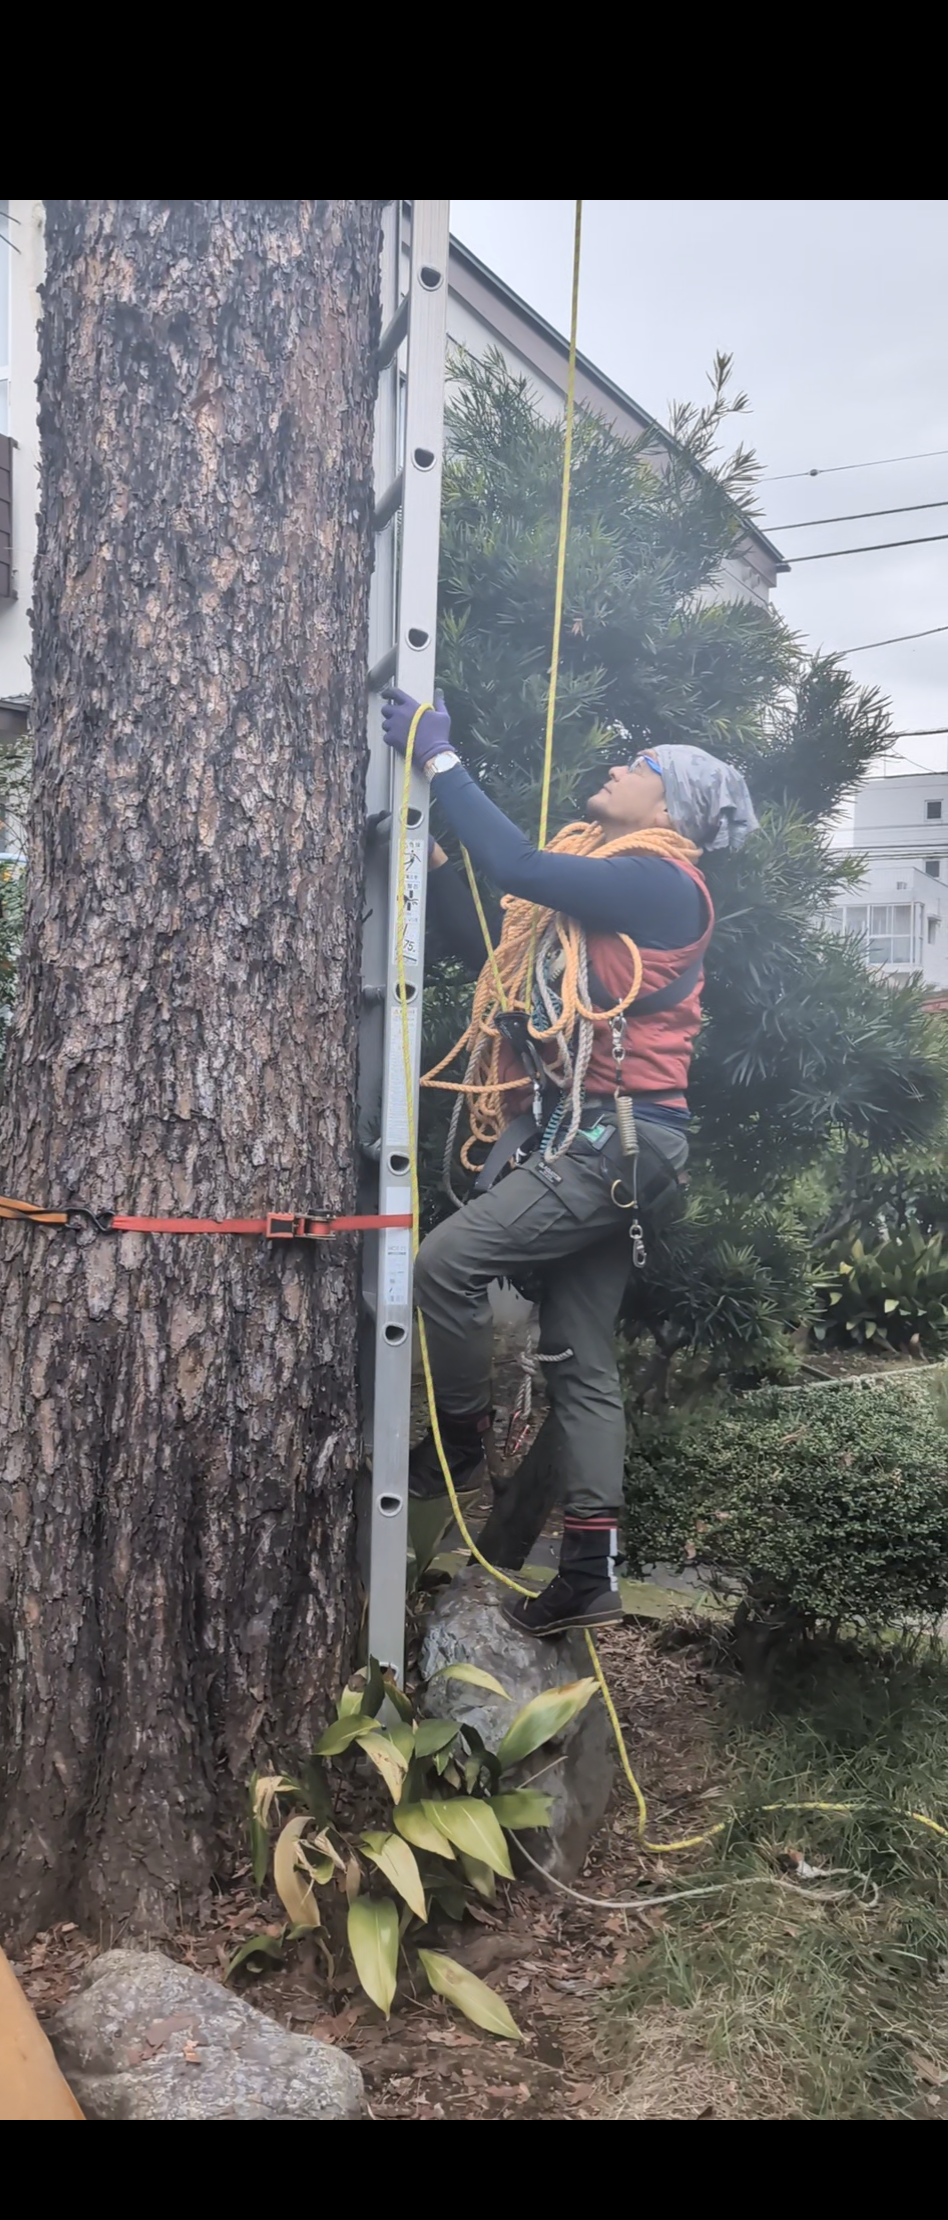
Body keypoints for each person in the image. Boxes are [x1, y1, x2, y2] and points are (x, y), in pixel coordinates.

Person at [381, 688, 758, 1638]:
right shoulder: (609, 897)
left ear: (670, 809)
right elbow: (501, 966)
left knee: (445, 1264)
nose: (622, 767)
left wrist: (442, 762)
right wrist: (431, 869)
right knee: (580, 1361)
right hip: (599, 1140)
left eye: (643, 766)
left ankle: (458, 1442)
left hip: (615, 1140)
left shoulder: (666, 885)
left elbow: (511, 861)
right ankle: (590, 1571)